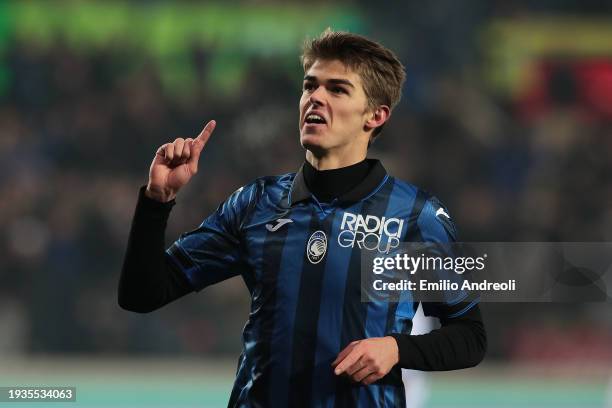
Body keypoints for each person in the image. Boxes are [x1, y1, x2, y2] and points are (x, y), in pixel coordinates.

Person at [119, 29, 487, 407]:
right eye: (310, 86)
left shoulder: (415, 216)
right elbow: (142, 294)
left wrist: (396, 349)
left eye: (338, 90)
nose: (316, 98)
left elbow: (470, 337)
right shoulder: (255, 203)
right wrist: (156, 201)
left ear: (375, 116)